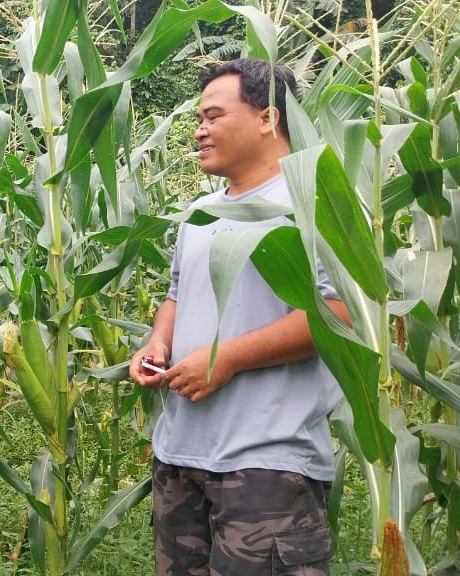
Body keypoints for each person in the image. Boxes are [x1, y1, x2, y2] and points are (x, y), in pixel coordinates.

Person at [129, 58, 350, 575]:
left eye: (212, 116)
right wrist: (157, 344)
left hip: (267, 464)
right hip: (181, 457)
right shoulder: (201, 212)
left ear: (268, 118)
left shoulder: (317, 202)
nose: (198, 131)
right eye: (198, 119)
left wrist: (226, 358)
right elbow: (177, 296)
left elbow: (339, 312)